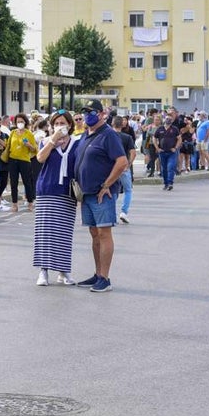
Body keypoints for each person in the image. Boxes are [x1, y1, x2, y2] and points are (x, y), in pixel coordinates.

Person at [73, 100, 128, 293]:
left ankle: (105, 278)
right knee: (94, 234)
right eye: (85, 112)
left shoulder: (108, 135)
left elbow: (122, 162)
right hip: (87, 194)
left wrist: (107, 184)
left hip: (101, 194)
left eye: (91, 112)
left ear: (101, 114)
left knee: (104, 234)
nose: (88, 115)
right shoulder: (86, 135)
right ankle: (97, 274)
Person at [32, 111, 79, 286]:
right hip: (46, 190)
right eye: (57, 123)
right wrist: (53, 141)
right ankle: (43, 271)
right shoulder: (45, 141)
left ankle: (63, 270)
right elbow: (40, 158)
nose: (60, 126)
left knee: (63, 233)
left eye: (63, 123)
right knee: (45, 232)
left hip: (67, 192)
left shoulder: (77, 143)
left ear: (70, 125)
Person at [4, 112, 37, 212]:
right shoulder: (13, 132)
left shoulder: (29, 133)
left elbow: (34, 149)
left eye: (22, 121)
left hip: (24, 160)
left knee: (27, 182)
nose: (20, 123)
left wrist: (28, 145)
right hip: (12, 159)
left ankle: (30, 202)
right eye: (18, 122)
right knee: (13, 183)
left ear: (25, 122)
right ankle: (14, 204)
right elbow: (8, 145)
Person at [113, 116, 136, 223]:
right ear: (122, 124)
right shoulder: (127, 137)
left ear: (112, 124)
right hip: (123, 167)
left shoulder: (107, 136)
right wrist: (128, 164)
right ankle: (124, 212)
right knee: (128, 190)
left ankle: (111, 213)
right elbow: (133, 153)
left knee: (111, 190)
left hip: (111, 168)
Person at [154, 113, 180, 190]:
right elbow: (154, 138)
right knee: (164, 169)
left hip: (171, 152)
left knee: (170, 167)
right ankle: (166, 183)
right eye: (167, 118)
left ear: (172, 121)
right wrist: (157, 148)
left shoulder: (175, 129)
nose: (168, 120)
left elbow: (179, 139)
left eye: (170, 119)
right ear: (164, 119)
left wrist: (175, 147)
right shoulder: (160, 129)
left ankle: (170, 183)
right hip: (162, 152)